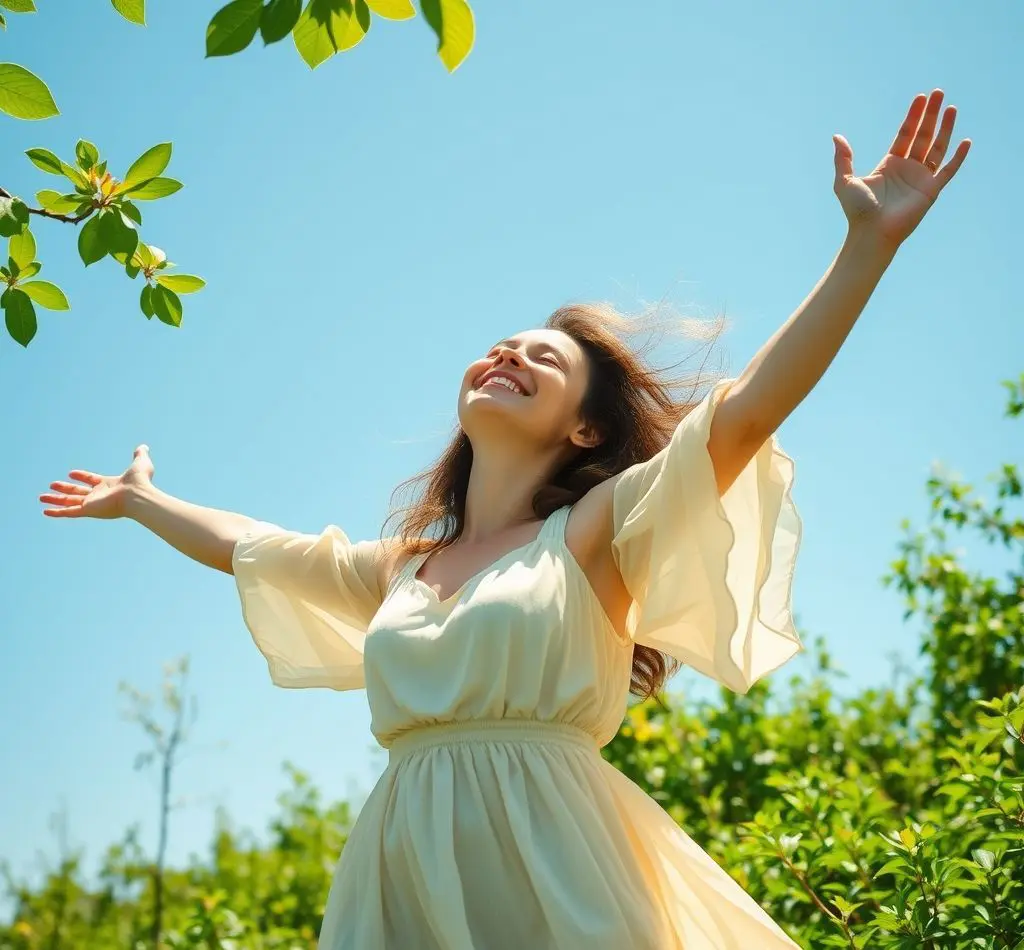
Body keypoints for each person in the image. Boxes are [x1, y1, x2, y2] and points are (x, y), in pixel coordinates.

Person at [40, 89, 969, 949]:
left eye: (542, 359)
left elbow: (748, 412)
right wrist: (143, 501)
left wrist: (867, 247)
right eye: (498, 347)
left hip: (562, 870)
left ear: (586, 427)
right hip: (402, 872)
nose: (507, 356)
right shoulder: (399, 568)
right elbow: (251, 546)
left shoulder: (596, 531)